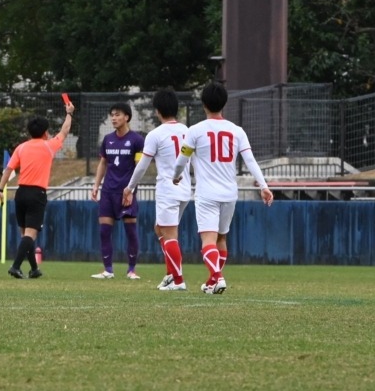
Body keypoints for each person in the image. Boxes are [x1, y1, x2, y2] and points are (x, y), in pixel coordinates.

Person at [172, 82, 273, 294]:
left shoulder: (195, 130)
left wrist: (176, 176)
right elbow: (251, 161)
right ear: (224, 104)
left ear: (204, 104)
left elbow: (182, 160)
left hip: (207, 193)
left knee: (208, 239)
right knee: (221, 237)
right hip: (229, 194)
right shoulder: (237, 131)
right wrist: (264, 185)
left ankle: (218, 277)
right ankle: (211, 282)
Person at [0, 100, 75, 279]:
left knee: (25, 235)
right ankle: (15, 266)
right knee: (30, 235)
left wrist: (0, 189)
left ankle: (34, 269)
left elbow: (8, 169)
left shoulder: (21, 147)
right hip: (37, 194)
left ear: (29, 132)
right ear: (46, 132)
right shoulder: (49, 145)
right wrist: (69, 113)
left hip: (20, 193)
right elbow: (64, 131)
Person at [123, 88, 191, 291]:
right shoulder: (187, 131)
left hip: (168, 190)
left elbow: (143, 165)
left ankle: (178, 281)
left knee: (170, 234)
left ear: (158, 111)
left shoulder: (155, 134)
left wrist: (129, 188)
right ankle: (171, 275)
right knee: (159, 229)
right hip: (185, 188)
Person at [90, 103, 145, 280]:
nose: (113, 118)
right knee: (104, 231)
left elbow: (139, 167)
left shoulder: (137, 140)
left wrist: (131, 191)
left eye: (117, 115)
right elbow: (103, 163)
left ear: (127, 117)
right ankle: (108, 270)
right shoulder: (107, 139)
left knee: (131, 231)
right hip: (108, 192)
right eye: (112, 115)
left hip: (126, 192)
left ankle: (131, 270)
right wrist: (96, 185)